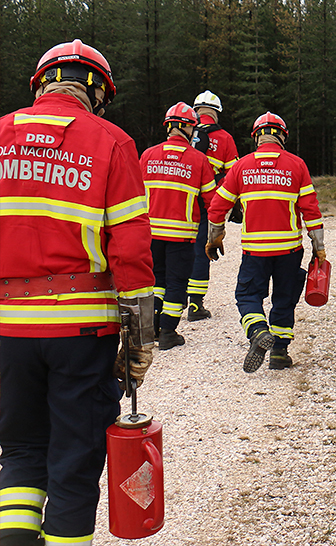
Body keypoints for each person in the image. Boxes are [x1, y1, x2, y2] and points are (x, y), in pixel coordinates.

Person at [0, 39, 156, 546]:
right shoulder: (112, 142)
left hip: (7, 331)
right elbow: (130, 250)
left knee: (21, 449)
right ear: (98, 92)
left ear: (41, 83)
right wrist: (140, 340)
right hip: (81, 331)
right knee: (75, 456)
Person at [206, 112, 324, 372]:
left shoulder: (241, 166)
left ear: (256, 137)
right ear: (282, 135)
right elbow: (311, 210)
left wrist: (214, 237)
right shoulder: (297, 165)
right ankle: (280, 352)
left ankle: (258, 331)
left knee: (247, 295)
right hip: (289, 249)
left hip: (255, 250)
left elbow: (218, 205)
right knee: (284, 297)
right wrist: (319, 246)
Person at [140, 102, 217, 349]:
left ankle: (152, 326)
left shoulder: (148, 155)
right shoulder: (198, 159)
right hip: (181, 235)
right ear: (186, 128)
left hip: (150, 233)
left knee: (156, 280)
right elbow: (210, 200)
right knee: (176, 282)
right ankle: (169, 333)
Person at [186, 90, 239, 321]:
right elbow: (234, 174)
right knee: (201, 250)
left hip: (180, 199)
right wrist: (232, 204)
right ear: (216, 113)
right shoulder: (225, 138)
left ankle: (167, 304)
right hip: (210, 202)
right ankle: (195, 305)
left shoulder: (183, 131)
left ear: (196, 111)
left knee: (173, 249)